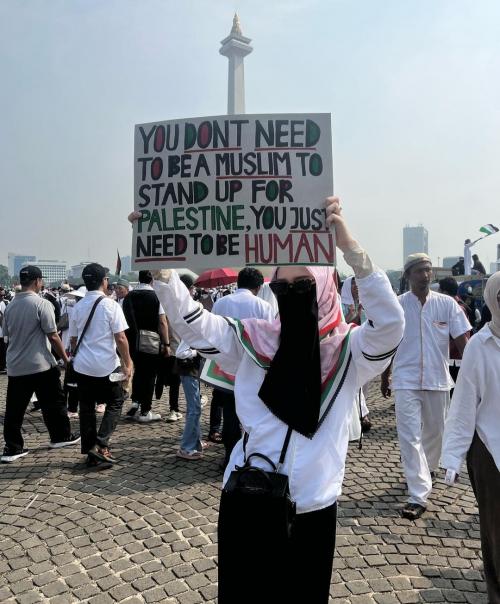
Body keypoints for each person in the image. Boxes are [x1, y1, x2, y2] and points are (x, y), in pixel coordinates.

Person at [130, 197, 404, 603]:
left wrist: (349, 247)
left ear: (325, 288)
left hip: (312, 508)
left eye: (303, 285)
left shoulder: (349, 351)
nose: (291, 293)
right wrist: (164, 271)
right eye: (282, 286)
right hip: (248, 498)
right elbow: (197, 325)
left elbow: (392, 325)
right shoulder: (254, 340)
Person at [381, 253, 471, 520]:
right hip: (406, 379)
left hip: (438, 378)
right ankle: (418, 494)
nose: (426, 275)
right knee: (409, 435)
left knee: (437, 432)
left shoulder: (447, 305)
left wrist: (472, 375)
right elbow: (389, 345)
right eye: (420, 271)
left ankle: (428, 467)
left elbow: (464, 341)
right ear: (408, 275)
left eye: (429, 270)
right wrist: (385, 375)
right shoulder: (397, 306)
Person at [441, 271, 500, 603]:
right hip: (490, 449)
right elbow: (464, 404)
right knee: (495, 529)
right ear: (492, 300)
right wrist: (452, 457)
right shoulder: (480, 344)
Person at [1, 266, 80, 463]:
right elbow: (53, 335)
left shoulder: (10, 305)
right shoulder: (41, 304)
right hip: (40, 364)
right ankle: (60, 436)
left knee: (14, 409)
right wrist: (66, 359)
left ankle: (12, 447)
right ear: (37, 281)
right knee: (54, 402)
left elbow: (6, 335)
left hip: (16, 365)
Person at [70, 263, 132, 469]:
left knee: (86, 408)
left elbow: (72, 339)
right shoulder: (111, 305)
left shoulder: (77, 307)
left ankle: (90, 450)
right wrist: (128, 363)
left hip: (82, 366)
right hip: (106, 365)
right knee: (116, 400)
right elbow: (121, 338)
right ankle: (101, 443)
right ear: (103, 281)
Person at [210, 267, 274, 468]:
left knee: (229, 411)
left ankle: (229, 455)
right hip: (254, 367)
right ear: (258, 286)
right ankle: (252, 456)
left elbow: (212, 333)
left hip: (225, 366)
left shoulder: (220, 303)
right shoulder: (263, 306)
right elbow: (270, 340)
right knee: (255, 412)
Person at [122, 270, 170, 422]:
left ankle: (135, 402)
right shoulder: (156, 296)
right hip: (151, 341)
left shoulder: (129, 296)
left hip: (132, 341)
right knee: (150, 375)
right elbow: (162, 321)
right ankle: (145, 410)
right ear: (152, 281)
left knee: (138, 372)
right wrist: (167, 343)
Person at [438, 277, 472, 390]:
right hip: (455, 359)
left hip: (455, 361)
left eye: (439, 291)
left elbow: (458, 336)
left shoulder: (456, 308)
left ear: (445, 292)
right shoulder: (458, 305)